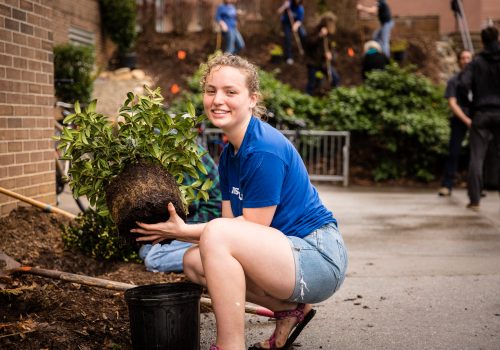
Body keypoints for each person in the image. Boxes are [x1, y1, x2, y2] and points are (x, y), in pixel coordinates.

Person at [132, 53, 348, 350]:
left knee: (215, 236)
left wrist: (180, 231)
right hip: (285, 256)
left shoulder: (262, 149)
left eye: (230, 92)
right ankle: (289, 310)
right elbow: (229, 224)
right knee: (194, 261)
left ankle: (229, 346)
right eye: (211, 91)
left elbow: (244, 228)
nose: (218, 99)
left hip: (318, 259)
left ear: (252, 99)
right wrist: (183, 232)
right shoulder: (230, 155)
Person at [138, 145, 222, 272]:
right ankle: (202, 245)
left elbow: (191, 205)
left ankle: (219, 252)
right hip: (192, 217)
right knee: (144, 252)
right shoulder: (163, 149)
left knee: (153, 260)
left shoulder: (181, 154)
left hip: (207, 217)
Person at [460, 26, 500, 211]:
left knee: (476, 157)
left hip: (481, 112)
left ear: (482, 41)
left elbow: (463, 84)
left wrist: (469, 105)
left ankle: (475, 199)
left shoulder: (476, 62)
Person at [437, 50, 473, 197]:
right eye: (463, 58)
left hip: (477, 119)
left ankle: (476, 186)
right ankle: (447, 184)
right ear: (459, 61)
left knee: (477, 154)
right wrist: (466, 119)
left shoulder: (479, 79)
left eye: (468, 58)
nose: (465, 60)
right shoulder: (454, 80)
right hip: (460, 118)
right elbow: (452, 103)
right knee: (454, 152)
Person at [304, 12, 340, 95]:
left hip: (324, 63)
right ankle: (306, 99)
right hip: (313, 62)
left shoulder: (330, 34)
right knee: (312, 83)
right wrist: (320, 35)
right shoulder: (314, 30)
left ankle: (335, 97)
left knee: (335, 79)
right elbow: (308, 43)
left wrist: (331, 54)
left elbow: (332, 47)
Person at [277, 0, 306, 65]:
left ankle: (305, 51)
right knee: (288, 38)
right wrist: (284, 6)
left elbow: (299, 21)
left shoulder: (300, 9)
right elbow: (279, 12)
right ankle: (289, 56)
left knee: (303, 35)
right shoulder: (288, 3)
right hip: (286, 23)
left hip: (295, 23)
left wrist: (296, 26)